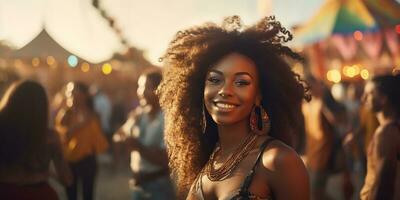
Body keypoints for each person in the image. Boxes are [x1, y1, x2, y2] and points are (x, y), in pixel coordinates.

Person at [158, 16, 310, 199]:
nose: (225, 91)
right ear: (200, 88)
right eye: (215, 80)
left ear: (258, 96)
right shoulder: (208, 159)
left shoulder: (278, 160)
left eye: (241, 82)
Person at [0, 80, 72, 200]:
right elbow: (67, 180)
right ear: (42, 107)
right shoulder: (50, 137)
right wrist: (46, 171)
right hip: (39, 194)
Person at [113, 69, 175, 199]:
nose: (140, 92)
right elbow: (118, 136)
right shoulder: (138, 114)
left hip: (159, 186)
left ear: (160, 90)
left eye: (146, 87)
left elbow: (165, 160)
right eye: (140, 87)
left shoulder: (168, 120)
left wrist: (138, 146)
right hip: (138, 184)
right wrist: (123, 139)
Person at [55, 81, 109, 200]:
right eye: (69, 92)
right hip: (70, 160)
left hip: (88, 160)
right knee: (71, 195)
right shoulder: (65, 114)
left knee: (88, 195)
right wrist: (80, 125)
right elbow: (61, 138)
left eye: (73, 91)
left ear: (84, 95)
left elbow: (99, 140)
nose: (70, 94)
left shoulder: (94, 115)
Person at [360, 74, 400, 200]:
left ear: (383, 98)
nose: (363, 98)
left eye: (370, 93)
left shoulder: (386, 133)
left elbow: (383, 182)